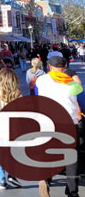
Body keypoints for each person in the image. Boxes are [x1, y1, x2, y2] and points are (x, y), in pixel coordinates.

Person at [36, 55, 83, 197]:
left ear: (49, 67)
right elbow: (81, 99)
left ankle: (45, 179)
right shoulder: (73, 85)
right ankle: (72, 192)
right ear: (65, 67)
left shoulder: (41, 80)